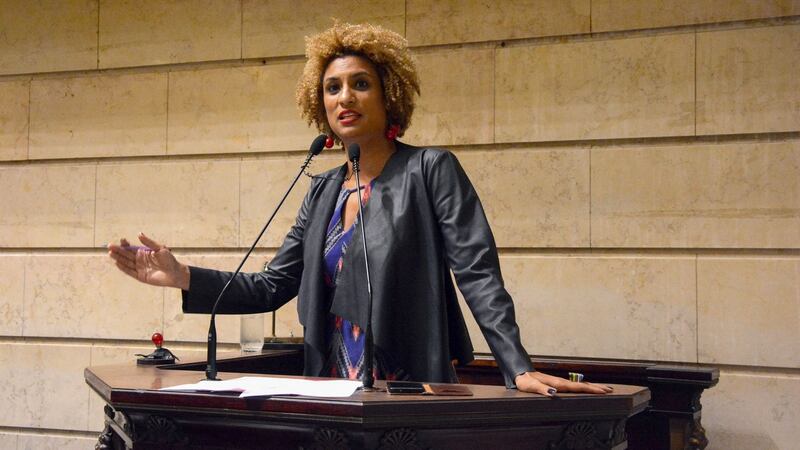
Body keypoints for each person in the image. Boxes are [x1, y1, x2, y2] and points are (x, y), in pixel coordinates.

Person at [108, 22, 610, 396]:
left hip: (410, 391)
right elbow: (271, 286)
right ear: (319, 105)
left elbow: (477, 273)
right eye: (332, 88)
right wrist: (184, 276)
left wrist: (516, 365)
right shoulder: (321, 190)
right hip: (329, 392)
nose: (344, 96)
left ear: (388, 94)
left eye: (360, 83)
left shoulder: (430, 169)